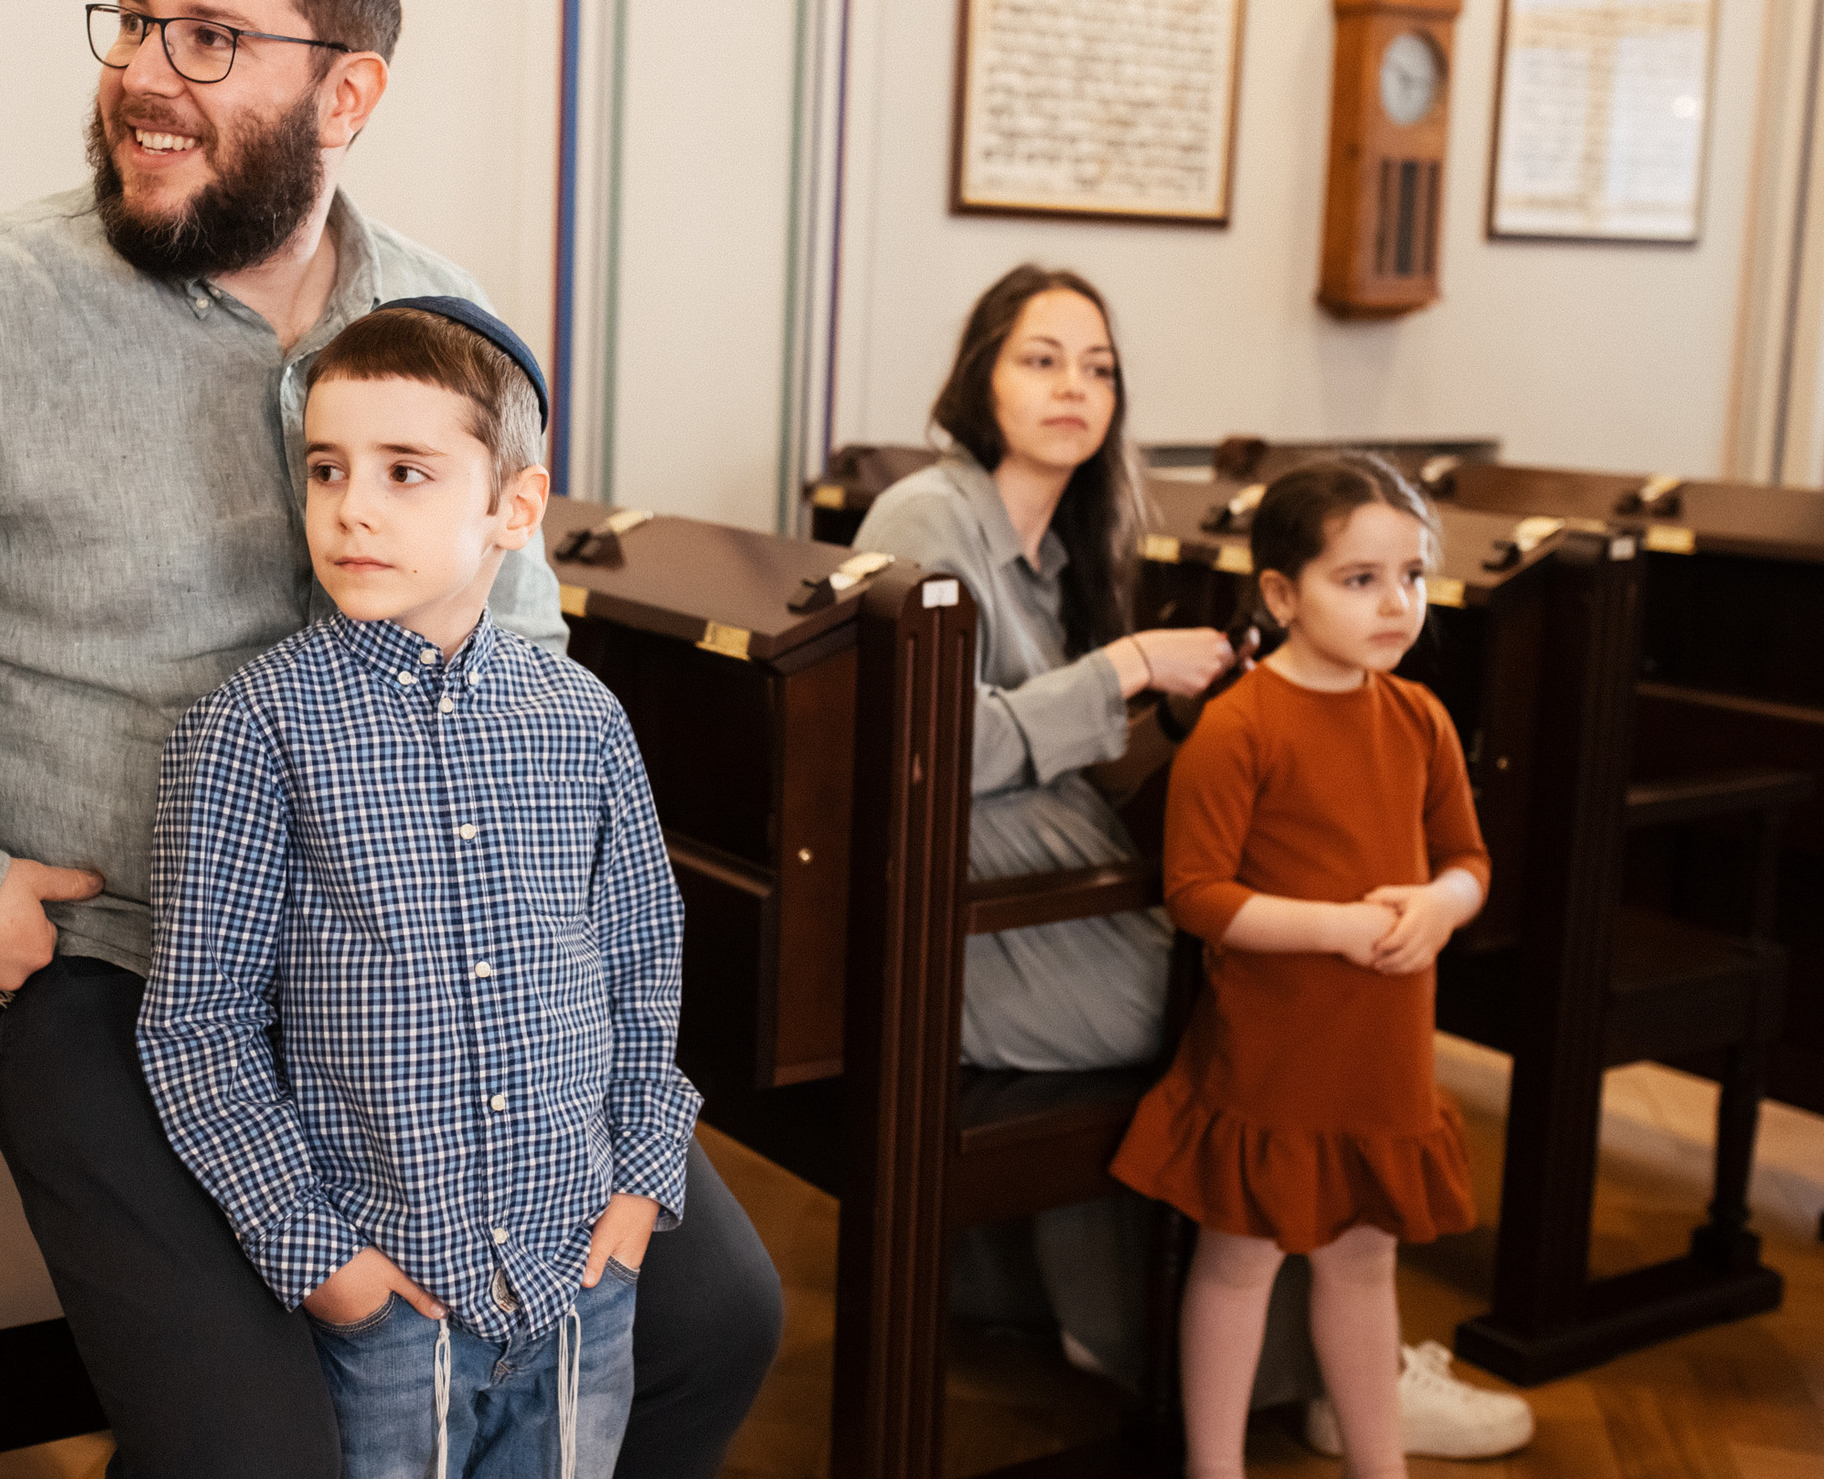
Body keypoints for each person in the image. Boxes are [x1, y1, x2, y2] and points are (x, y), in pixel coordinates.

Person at [0, 0, 778, 1479]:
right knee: (262, 1448)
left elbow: (524, 633)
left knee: (716, 1317)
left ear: (346, 91)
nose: (147, 73)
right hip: (106, 963)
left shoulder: (442, 321)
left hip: (426, 952)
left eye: (214, 37)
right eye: (138, 22)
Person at [852, 268, 1530, 1460]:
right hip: (943, 904)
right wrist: (1125, 671)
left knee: (1244, 1026)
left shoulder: (1060, 545)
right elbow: (929, 749)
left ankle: (1188, 1342)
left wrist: (1176, 718)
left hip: (1008, 890)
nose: (1074, 387)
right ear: (979, 377)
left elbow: (1058, 765)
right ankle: (1300, 1382)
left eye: (1098, 366)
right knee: (1233, 1038)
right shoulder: (928, 514)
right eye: (1040, 358)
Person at [139, 299, 699, 1478]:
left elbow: (644, 964)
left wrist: (638, 1197)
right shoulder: (253, 731)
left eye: (406, 472)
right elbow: (198, 1026)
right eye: (328, 469)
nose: (353, 508)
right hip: (386, 1299)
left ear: (514, 508)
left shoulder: (582, 720)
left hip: (578, 1288)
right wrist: (326, 1271)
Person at [1110, 453, 1494, 1479]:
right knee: (1239, 1259)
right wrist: (1335, 928)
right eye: (1358, 579)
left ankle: (1381, 1465)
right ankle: (1214, 1465)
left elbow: (1468, 860)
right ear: (1281, 593)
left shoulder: (1420, 720)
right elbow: (1199, 896)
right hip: (1276, 1045)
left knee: (1365, 1261)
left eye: (1411, 576)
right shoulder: (1240, 727)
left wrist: (1441, 906)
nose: (1394, 604)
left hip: (1383, 1051)